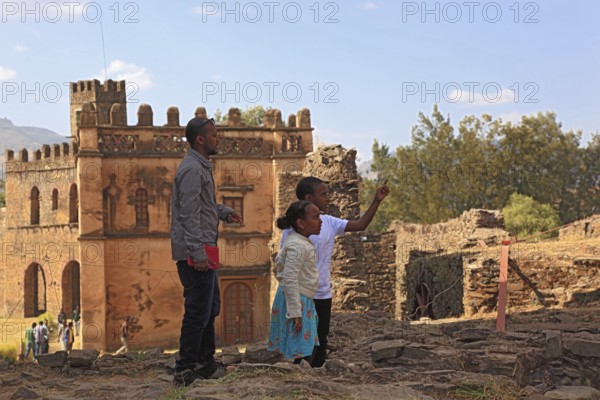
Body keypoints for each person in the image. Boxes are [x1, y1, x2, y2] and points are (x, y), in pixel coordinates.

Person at [281, 177, 389, 367]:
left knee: (320, 342)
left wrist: (376, 201)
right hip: (302, 296)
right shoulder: (293, 230)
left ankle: (317, 384)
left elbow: (360, 224)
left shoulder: (328, 222)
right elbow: (288, 268)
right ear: (309, 198)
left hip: (323, 293)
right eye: (323, 195)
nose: (328, 198)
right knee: (301, 345)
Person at [171, 116, 242, 387]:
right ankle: (184, 369)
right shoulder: (191, 169)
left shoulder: (201, 168)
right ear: (200, 139)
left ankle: (205, 363)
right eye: (214, 135)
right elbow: (188, 215)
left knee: (210, 308)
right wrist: (198, 253)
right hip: (195, 252)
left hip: (205, 249)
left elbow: (202, 206)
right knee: (198, 310)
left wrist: (223, 212)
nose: (218, 139)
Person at [268, 201, 322, 363]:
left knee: (305, 344)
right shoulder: (297, 246)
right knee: (300, 348)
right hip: (296, 301)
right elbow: (289, 278)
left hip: (300, 299)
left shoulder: (298, 242)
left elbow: (282, 269)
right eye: (316, 217)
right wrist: (295, 312)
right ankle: (298, 378)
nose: (321, 221)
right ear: (301, 223)